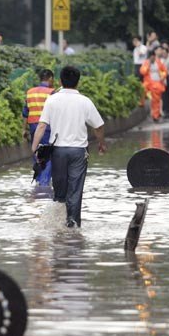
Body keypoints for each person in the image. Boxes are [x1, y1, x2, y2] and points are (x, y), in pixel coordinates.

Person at [31, 66, 106, 228]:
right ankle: (72, 224)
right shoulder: (85, 101)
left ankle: (57, 227)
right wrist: (101, 143)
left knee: (60, 192)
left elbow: (42, 126)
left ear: (60, 81)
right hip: (78, 152)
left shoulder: (52, 100)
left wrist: (34, 148)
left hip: (58, 152)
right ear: (78, 82)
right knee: (75, 190)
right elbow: (98, 126)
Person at [23, 69, 55, 186]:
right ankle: (44, 183)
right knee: (49, 155)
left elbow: (25, 113)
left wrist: (24, 129)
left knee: (36, 153)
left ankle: (38, 179)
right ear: (50, 79)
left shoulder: (30, 92)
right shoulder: (52, 92)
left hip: (32, 127)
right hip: (47, 128)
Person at [140, 49, 167, 122]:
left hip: (157, 83)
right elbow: (142, 72)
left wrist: (162, 76)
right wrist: (148, 65)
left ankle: (156, 116)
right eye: (151, 57)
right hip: (148, 83)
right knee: (142, 90)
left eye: (153, 57)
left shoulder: (158, 62)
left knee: (156, 101)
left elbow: (164, 70)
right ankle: (141, 103)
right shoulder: (146, 63)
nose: (153, 59)